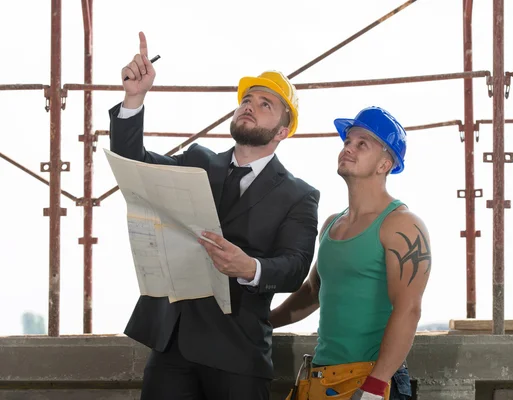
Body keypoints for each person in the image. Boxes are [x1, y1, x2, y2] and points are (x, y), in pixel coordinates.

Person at [109, 32, 320, 400]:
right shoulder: (198, 161)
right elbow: (134, 165)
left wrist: (249, 267)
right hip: (172, 346)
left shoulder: (298, 195)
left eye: (265, 104)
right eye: (247, 100)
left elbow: (295, 266)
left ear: (282, 131)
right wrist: (134, 98)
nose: (250, 106)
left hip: (237, 355)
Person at [270, 106, 432, 400]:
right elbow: (313, 291)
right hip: (321, 377)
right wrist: (265, 322)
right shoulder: (332, 225)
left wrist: (376, 384)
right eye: (347, 142)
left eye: (362, 144)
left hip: (370, 380)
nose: (348, 148)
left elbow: (409, 310)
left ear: (384, 164)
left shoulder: (401, 226)